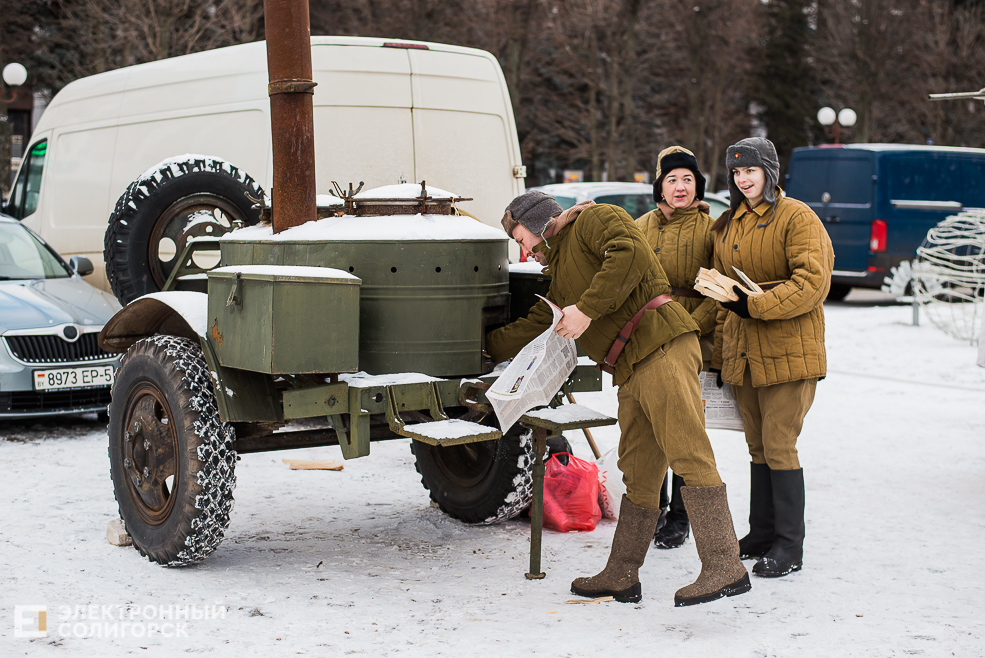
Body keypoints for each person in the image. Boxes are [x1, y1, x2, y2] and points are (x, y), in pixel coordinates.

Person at [486, 190, 750, 606]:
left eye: (522, 238)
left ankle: (723, 564)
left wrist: (587, 309)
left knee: (688, 452)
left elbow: (629, 255)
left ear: (539, 222)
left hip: (661, 344)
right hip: (630, 366)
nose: (524, 250)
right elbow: (541, 322)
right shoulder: (559, 275)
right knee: (639, 472)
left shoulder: (595, 219)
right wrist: (482, 347)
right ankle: (622, 573)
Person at [710, 137, 834, 578]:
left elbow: (812, 283)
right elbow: (726, 293)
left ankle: (788, 545)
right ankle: (761, 533)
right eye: (737, 172)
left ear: (770, 172)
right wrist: (724, 350)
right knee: (758, 445)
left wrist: (755, 304)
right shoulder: (731, 222)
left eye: (752, 170)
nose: (744, 179)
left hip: (789, 350)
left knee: (780, 444)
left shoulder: (796, 216)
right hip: (744, 351)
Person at [635, 146, 719, 550]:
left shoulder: (711, 229)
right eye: (672, 179)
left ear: (697, 186)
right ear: (660, 187)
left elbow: (720, 291)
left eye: (687, 179)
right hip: (645, 334)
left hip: (691, 335)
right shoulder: (640, 226)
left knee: (685, 425)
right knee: (650, 424)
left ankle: (682, 516)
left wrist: (688, 327)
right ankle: (653, 507)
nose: (680, 186)